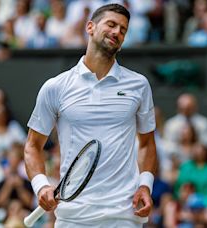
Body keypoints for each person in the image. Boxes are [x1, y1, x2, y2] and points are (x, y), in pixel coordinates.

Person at [24, 3, 157, 228]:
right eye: (111, 25)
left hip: (123, 216)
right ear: (90, 27)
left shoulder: (139, 85)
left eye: (123, 30)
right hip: (72, 218)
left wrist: (145, 185)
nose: (117, 32)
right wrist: (41, 185)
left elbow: (147, 143)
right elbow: (32, 146)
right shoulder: (55, 87)